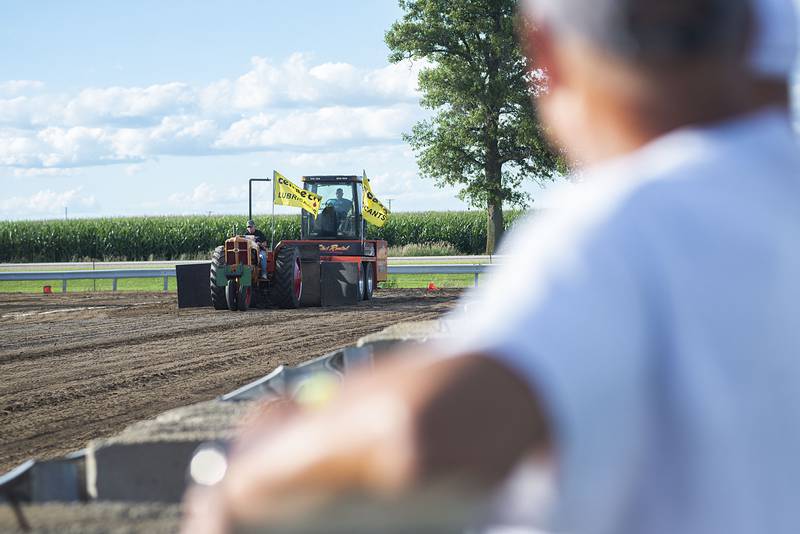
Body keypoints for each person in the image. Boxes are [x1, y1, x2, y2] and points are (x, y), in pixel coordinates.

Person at [182, 0, 800, 533]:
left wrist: (250, 476)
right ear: (747, 33)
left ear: (546, 54)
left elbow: (422, 430)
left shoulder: (624, 223)